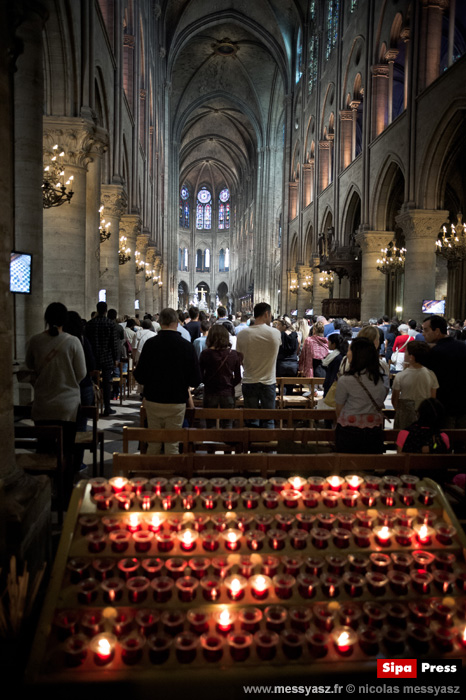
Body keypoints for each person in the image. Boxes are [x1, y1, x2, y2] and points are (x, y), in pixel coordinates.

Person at [25, 302, 86, 497]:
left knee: (44, 449)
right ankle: (65, 492)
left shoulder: (35, 341)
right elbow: (82, 373)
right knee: (67, 450)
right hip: (67, 407)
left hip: (43, 404)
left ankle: (44, 491)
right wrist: (66, 384)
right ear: (64, 320)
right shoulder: (73, 341)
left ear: (46, 318)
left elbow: (29, 366)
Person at [133, 307, 201, 454]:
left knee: (154, 443)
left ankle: (153, 475)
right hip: (176, 401)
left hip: (153, 399)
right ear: (176, 323)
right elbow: (195, 379)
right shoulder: (186, 346)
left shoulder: (150, 344)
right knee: (172, 444)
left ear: (160, 322)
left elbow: (139, 376)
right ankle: (171, 476)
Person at [335, 337, 389, 453]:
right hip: (374, 430)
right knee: (369, 466)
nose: (347, 353)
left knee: (347, 467)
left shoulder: (345, 380)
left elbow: (339, 408)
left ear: (357, 355)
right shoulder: (382, 379)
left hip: (349, 431)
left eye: (350, 350)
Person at [236, 302, 281, 427]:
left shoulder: (242, 334)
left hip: (249, 380)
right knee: (268, 419)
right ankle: (268, 445)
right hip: (268, 381)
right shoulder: (275, 333)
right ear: (266, 313)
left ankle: (251, 445)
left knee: (251, 420)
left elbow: (239, 358)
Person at [422, 314, 466, 428]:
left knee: (444, 441)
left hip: (443, 406)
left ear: (437, 331)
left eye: (426, 330)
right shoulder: (463, 347)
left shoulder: (434, 352)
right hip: (463, 405)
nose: (423, 333)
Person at [199, 325, 243, 427]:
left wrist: (207, 382)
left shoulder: (205, 354)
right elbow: (238, 377)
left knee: (210, 424)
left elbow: (200, 375)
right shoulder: (234, 354)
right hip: (227, 391)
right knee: (228, 424)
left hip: (210, 391)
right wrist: (230, 384)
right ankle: (226, 441)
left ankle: (211, 442)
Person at [391, 341, 438, 429]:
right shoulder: (431, 374)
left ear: (411, 357)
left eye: (406, 352)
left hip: (405, 415)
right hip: (425, 413)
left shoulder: (400, 376)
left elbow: (394, 400)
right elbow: (433, 397)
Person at [85, 301, 120, 416]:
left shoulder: (90, 324)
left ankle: (92, 406)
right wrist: (116, 358)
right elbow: (114, 343)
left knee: (93, 382)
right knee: (106, 383)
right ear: (106, 310)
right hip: (106, 357)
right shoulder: (110, 324)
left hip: (93, 357)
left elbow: (87, 342)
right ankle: (107, 407)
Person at [275, 317, 299, 390]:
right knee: (290, 387)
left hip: (281, 363)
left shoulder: (279, 335)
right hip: (293, 363)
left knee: (281, 387)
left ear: (284, 326)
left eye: (278, 325)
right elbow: (298, 345)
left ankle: (283, 400)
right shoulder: (295, 335)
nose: (277, 326)